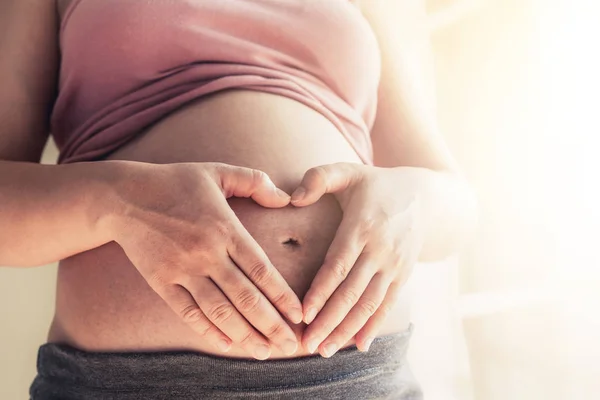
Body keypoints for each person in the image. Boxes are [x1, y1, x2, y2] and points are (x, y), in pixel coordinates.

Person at [0, 0, 477, 398]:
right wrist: (121, 202)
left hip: (358, 377)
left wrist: (412, 201)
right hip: (130, 384)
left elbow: (454, 204)